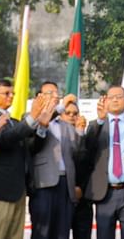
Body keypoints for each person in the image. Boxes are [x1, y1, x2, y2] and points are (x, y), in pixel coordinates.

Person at [0, 79, 50, 239]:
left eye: (12, 93)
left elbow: (30, 149)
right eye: (6, 93)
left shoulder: (14, 122)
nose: (11, 96)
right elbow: (5, 139)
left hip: (18, 191)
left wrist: (42, 128)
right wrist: (32, 117)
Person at [85, 86, 124, 239]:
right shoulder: (96, 125)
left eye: (119, 96)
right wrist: (99, 120)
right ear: (105, 101)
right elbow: (87, 148)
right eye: (111, 97)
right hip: (105, 193)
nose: (115, 100)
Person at [28, 82, 82, 239]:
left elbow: (77, 151)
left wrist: (79, 131)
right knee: (42, 232)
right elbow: (33, 142)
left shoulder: (64, 124)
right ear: (40, 97)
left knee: (62, 231)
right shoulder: (31, 118)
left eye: (56, 93)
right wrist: (61, 105)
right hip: (44, 183)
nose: (55, 96)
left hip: (66, 184)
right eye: (49, 93)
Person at [61, 100, 93, 239]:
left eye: (75, 113)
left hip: (83, 198)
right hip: (61, 196)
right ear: (60, 116)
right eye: (67, 113)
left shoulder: (87, 138)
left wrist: (81, 187)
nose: (71, 116)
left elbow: (91, 166)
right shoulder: (56, 137)